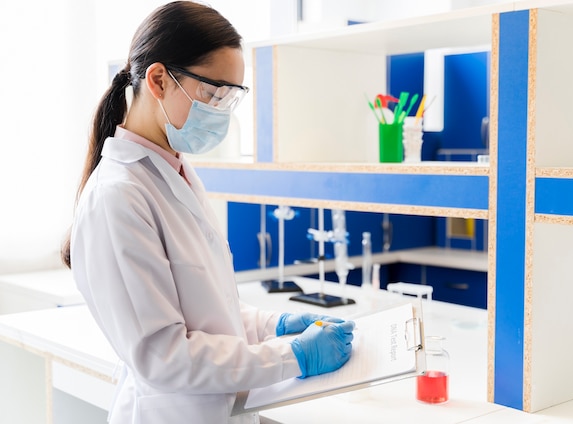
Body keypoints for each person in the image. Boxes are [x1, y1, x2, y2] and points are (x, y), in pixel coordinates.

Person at [60, 2, 354, 423]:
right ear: (159, 80)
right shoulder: (117, 197)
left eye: (231, 97)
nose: (221, 111)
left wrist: (276, 324)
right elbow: (165, 355)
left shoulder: (175, 173)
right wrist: (293, 356)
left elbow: (210, 311)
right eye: (214, 92)